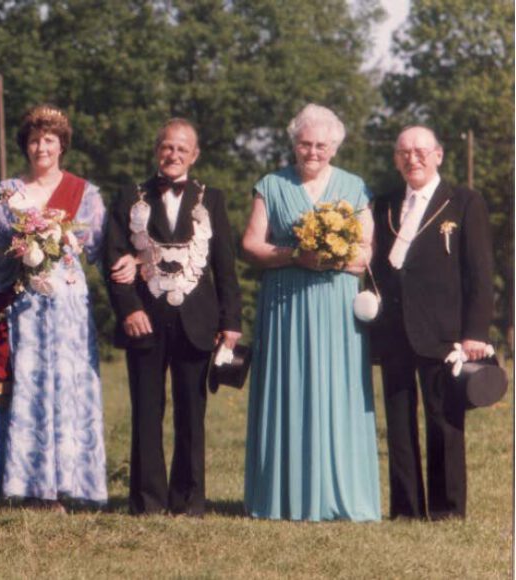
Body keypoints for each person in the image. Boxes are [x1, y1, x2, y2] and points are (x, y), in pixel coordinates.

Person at [241, 103, 380, 521]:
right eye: (305, 144)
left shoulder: (354, 186)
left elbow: (365, 253)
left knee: (338, 389)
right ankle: (281, 495)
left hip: (337, 306)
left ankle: (341, 493)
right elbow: (250, 245)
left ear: (334, 147)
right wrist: (294, 255)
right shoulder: (271, 185)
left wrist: (334, 256)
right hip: (286, 302)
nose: (313, 152)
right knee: (289, 386)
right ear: (294, 144)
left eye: (321, 145)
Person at [103, 118, 242, 517]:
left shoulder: (211, 198)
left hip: (197, 322)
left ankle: (189, 500)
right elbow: (113, 257)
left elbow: (225, 265)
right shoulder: (130, 195)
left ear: (194, 155)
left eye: (182, 149)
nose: (173, 154)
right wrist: (129, 308)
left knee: (192, 413)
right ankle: (147, 501)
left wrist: (231, 322)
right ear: (156, 150)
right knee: (146, 411)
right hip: (144, 318)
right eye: (167, 146)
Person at [0, 105, 107, 510]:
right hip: (24, 309)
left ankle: (70, 483)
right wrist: (18, 257)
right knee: (27, 389)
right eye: (34, 140)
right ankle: (26, 484)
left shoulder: (85, 194)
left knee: (68, 388)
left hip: (68, 308)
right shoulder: (6, 193)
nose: (41, 147)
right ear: (25, 146)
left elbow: (103, 249)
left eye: (49, 140)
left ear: (62, 145)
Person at [369, 125, 494, 520]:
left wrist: (475, 332)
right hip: (394, 332)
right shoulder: (384, 204)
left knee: (444, 422)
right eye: (404, 152)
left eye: (421, 151)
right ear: (396, 159)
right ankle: (405, 509)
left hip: (444, 332)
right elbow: (375, 269)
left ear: (438, 154)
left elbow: (480, 273)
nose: (413, 158)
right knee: (398, 424)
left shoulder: (464, 202)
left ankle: (446, 510)